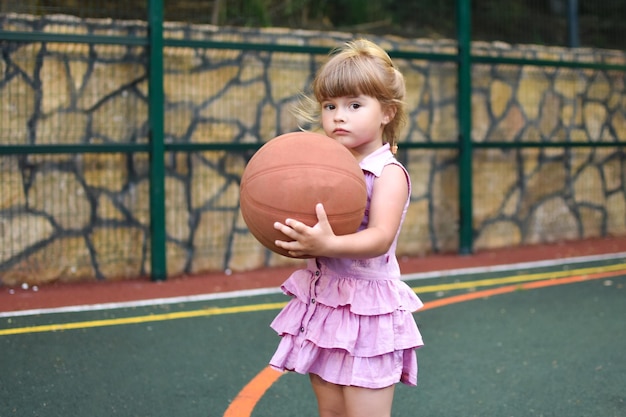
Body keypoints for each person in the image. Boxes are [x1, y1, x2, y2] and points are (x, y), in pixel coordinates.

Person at [269, 38, 424, 417]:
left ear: (387, 113)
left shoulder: (387, 173)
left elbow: (380, 238)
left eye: (355, 105)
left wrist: (327, 243)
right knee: (333, 411)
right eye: (330, 105)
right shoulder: (323, 166)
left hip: (369, 308)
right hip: (326, 302)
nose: (340, 115)